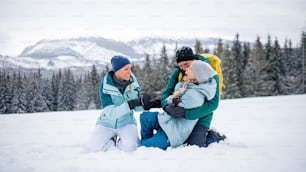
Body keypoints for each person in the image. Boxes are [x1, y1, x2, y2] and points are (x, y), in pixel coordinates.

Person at [140, 60, 218, 149]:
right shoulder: (188, 84)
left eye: (190, 68)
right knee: (144, 117)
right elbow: (169, 97)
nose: (186, 69)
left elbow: (172, 104)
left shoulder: (194, 96)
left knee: (143, 147)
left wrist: (172, 99)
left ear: (198, 75)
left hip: (174, 132)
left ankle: (148, 144)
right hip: (168, 121)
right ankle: (148, 140)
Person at [161, 46, 226, 147]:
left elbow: (213, 104)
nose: (184, 68)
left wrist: (188, 114)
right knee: (179, 141)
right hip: (183, 114)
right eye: (180, 65)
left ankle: (213, 136)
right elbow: (167, 93)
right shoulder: (178, 72)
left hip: (203, 114)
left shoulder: (210, 73)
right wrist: (166, 106)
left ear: (194, 60)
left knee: (195, 145)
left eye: (186, 64)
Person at [86, 55, 151, 152]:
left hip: (126, 122)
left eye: (130, 68)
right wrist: (131, 104)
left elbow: (136, 107)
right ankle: (112, 140)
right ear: (117, 71)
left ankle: (122, 140)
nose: (130, 72)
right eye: (126, 69)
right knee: (91, 149)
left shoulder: (132, 83)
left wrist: (145, 104)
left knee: (132, 148)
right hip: (106, 123)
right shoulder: (105, 86)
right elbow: (111, 113)